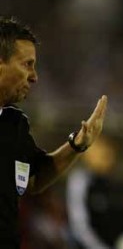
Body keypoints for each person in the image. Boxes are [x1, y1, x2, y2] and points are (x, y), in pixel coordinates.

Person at [0, 15, 108, 249]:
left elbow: (35, 179)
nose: (34, 76)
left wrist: (77, 144)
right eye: (26, 64)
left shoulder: (14, 124)